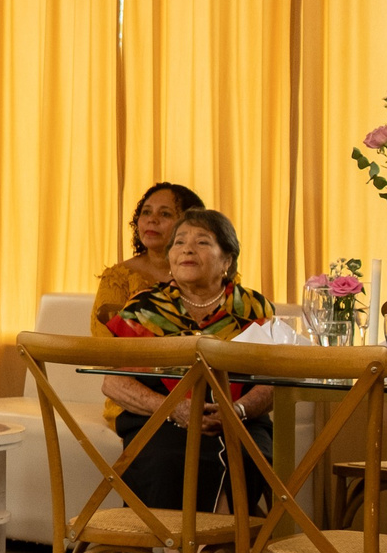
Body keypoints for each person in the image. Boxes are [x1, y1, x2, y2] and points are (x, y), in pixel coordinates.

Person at [101, 208, 276, 525]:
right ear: (169, 259)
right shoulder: (144, 307)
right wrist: (175, 409)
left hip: (240, 417)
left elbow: (272, 379)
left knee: (250, 457)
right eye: (179, 242)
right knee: (167, 459)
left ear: (227, 261)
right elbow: (113, 383)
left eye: (202, 242)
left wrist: (236, 411)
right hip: (160, 417)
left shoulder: (253, 306)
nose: (187, 249)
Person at [96, 181, 206, 326]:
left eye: (165, 214)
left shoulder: (212, 274)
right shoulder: (119, 279)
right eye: (146, 212)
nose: (152, 220)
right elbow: (103, 341)